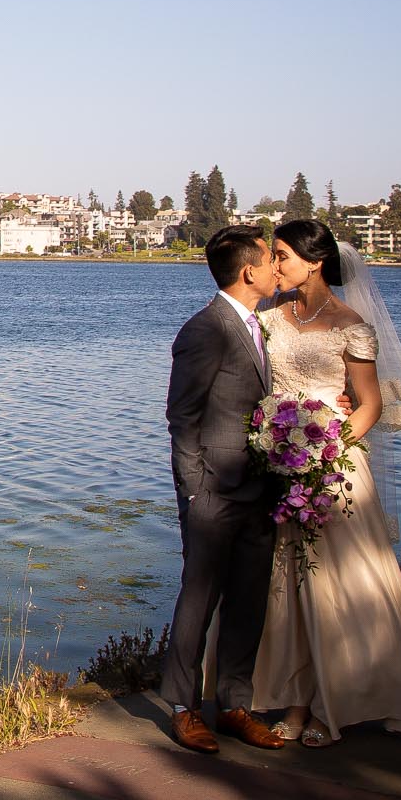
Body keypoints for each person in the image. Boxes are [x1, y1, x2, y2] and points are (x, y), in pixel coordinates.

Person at [252, 218, 401, 746]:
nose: (276, 264)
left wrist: (327, 449)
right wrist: (277, 442)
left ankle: (331, 704)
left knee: (340, 586)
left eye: (284, 255)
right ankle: (292, 700)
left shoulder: (351, 323)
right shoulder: (270, 317)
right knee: (287, 586)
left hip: (334, 470)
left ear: (314, 261)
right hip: (281, 464)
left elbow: (371, 403)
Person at [159, 225, 288, 754]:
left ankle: (236, 705)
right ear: (249, 271)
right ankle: (185, 709)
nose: (278, 270)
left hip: (259, 490)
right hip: (213, 492)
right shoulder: (205, 330)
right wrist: (195, 491)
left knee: (248, 602)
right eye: (270, 260)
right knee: (199, 600)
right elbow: (181, 417)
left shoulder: (259, 327)